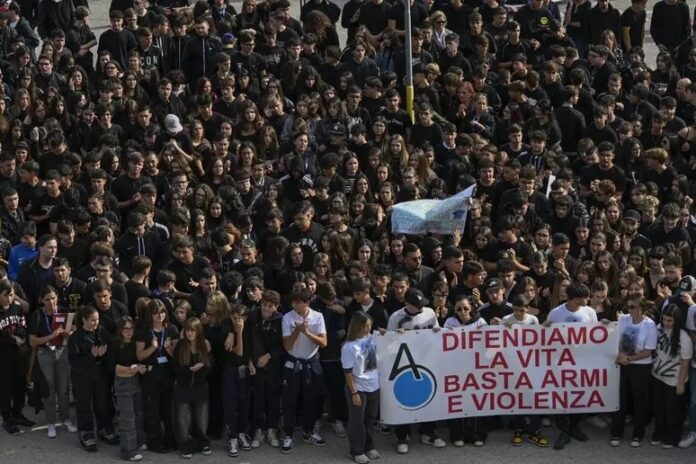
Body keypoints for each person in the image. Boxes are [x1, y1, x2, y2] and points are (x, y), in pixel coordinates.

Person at [386, 288, 446, 453]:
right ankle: (402, 436)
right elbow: (387, 345)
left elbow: (438, 335)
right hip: (405, 364)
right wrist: (396, 337)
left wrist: (436, 331)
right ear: (406, 304)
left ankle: (428, 433)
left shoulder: (429, 313)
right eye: (416, 305)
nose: (421, 308)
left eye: (422, 304)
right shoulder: (396, 317)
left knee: (429, 397)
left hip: (426, 362)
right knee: (405, 399)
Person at [545, 283, 597, 450]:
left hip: (582, 363)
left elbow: (596, 335)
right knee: (561, 397)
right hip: (560, 363)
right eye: (585, 297)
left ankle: (573, 426)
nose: (588, 299)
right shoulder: (556, 313)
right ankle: (564, 431)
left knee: (578, 395)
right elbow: (545, 337)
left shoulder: (590, 312)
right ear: (575, 299)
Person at [280, 289, 328, 453]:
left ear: (306, 303)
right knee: (289, 401)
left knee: (311, 400)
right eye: (293, 302)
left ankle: (309, 431)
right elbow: (287, 346)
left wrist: (306, 332)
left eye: (298, 302)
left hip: (311, 363)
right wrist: (297, 330)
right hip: (293, 363)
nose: (294, 305)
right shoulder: (287, 317)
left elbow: (323, 342)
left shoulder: (318, 317)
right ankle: (288, 434)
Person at [27, 285, 76, 438]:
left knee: (63, 388)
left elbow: (74, 329)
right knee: (49, 389)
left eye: (54, 298)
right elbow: (32, 341)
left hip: (62, 351)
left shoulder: (63, 311)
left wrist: (68, 332)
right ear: (41, 300)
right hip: (45, 353)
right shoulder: (37, 315)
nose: (51, 302)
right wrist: (51, 336)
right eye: (47, 299)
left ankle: (65, 418)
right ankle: (50, 423)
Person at [68, 305, 117, 451]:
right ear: (83, 320)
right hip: (82, 377)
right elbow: (74, 362)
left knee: (102, 402)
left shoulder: (101, 331)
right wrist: (92, 356)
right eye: (93, 320)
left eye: (97, 319)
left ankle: (105, 429)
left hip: (100, 374)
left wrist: (104, 354)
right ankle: (86, 432)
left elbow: (111, 346)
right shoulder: (75, 338)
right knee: (84, 405)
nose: (96, 323)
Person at [609, 297, 657, 447]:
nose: (631, 311)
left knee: (640, 401)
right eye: (629, 307)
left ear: (642, 308)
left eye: (634, 307)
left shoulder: (650, 325)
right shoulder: (623, 319)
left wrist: (629, 359)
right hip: (622, 364)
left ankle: (638, 435)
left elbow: (648, 351)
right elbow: (614, 337)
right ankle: (616, 433)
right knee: (619, 400)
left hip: (640, 367)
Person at [135, 298, 178, 452]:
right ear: (150, 315)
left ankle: (171, 440)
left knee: (169, 408)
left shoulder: (172, 329)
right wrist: (153, 348)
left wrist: (169, 349)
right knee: (152, 409)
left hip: (167, 373)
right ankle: (155, 443)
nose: (159, 316)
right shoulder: (143, 332)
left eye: (162, 312)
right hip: (150, 375)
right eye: (155, 313)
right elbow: (139, 356)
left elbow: (177, 356)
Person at [651, 304, 692, 449]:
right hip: (657, 376)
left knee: (673, 410)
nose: (666, 323)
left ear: (677, 320)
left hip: (674, 380)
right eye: (664, 319)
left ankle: (673, 437)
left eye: (670, 320)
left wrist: (681, 383)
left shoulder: (684, 337)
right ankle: (659, 433)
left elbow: (685, 362)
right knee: (659, 409)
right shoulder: (658, 328)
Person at [342, 310, 380, 464]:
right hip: (358, 387)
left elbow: (389, 337)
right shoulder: (348, 347)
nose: (368, 329)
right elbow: (348, 372)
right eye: (365, 326)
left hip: (374, 385)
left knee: (370, 419)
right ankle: (356, 450)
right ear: (357, 326)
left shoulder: (372, 337)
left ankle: (369, 446)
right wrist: (354, 392)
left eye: (370, 325)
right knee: (357, 420)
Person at [171, 317, 213, 458]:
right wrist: (189, 369)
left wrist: (201, 368)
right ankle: (186, 445)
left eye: (192, 330)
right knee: (183, 418)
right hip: (183, 386)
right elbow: (175, 366)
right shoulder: (181, 345)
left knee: (202, 417)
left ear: (198, 331)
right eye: (187, 330)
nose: (189, 333)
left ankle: (203, 443)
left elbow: (211, 366)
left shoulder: (204, 344)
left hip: (200, 386)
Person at [108, 316, 146, 461]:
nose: (129, 332)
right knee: (127, 418)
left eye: (131, 329)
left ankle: (138, 442)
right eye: (126, 329)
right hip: (123, 382)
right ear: (120, 330)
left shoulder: (136, 343)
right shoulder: (116, 344)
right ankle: (128, 451)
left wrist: (138, 369)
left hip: (135, 381)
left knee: (138, 414)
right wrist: (132, 369)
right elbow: (112, 367)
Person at [0, 279, 33, 435]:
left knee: (20, 385)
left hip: (19, 354)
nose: (10, 298)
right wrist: (13, 339)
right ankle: (6, 418)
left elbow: (22, 325)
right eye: (6, 295)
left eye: (12, 295)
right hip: (3, 356)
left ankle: (17, 413)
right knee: (6, 388)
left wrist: (18, 336)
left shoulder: (17, 308)